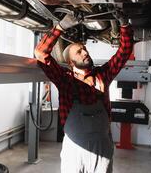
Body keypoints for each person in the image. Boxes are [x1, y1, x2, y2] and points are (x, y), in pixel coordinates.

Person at [34, 11, 134, 173]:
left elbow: (124, 52)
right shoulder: (64, 80)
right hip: (74, 150)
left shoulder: (103, 75)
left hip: (102, 150)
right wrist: (60, 27)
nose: (86, 53)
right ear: (70, 62)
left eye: (85, 49)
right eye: (79, 52)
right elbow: (41, 53)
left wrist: (124, 24)